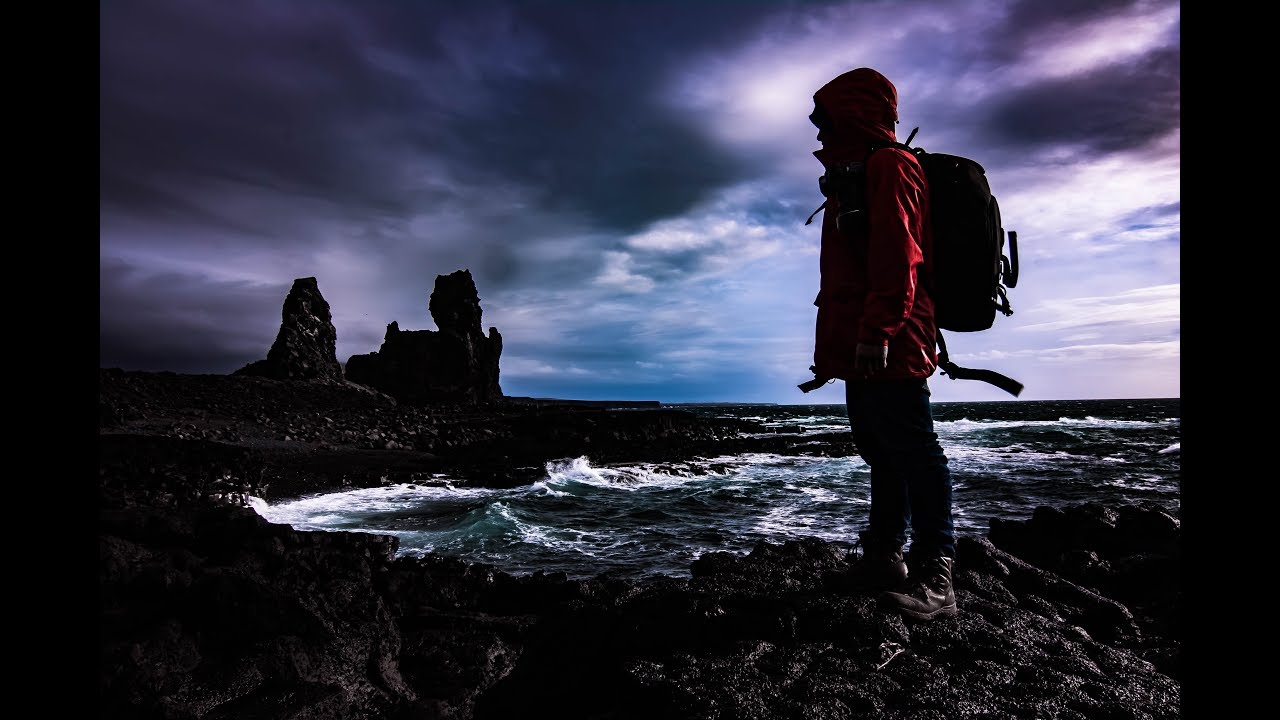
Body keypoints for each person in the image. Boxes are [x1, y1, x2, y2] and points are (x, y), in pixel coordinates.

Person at [806, 67, 957, 620]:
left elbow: (900, 256)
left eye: (825, 119)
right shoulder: (856, 171)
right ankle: (885, 558)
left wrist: (879, 332)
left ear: (852, 115)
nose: (818, 131)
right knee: (882, 450)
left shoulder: (890, 166)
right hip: (867, 339)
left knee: (916, 453)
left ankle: (937, 576)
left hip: (892, 338)